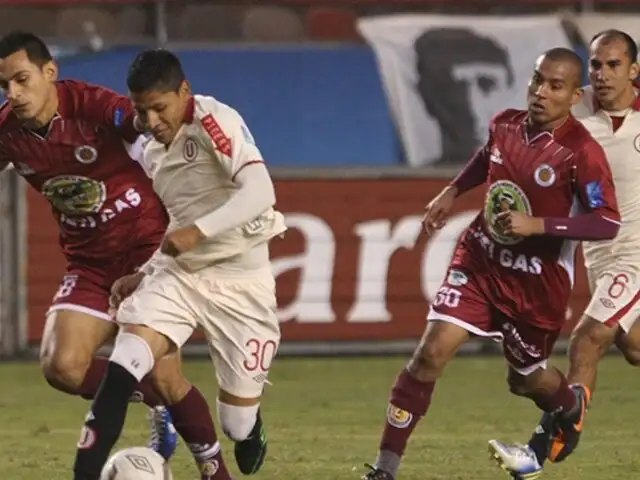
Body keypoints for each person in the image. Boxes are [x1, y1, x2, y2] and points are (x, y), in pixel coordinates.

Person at [360, 47, 621, 480]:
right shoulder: (505, 123)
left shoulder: (582, 152)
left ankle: (567, 404)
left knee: (524, 381)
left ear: (575, 97)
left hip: (537, 285)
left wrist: (535, 225)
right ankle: (385, 469)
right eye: (538, 80)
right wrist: (452, 190)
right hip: (481, 261)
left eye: (555, 86)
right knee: (429, 354)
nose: (540, 92)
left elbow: (606, 222)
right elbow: (488, 157)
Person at [0, 31, 223, 476]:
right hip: (90, 262)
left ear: (50, 72)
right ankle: (156, 406)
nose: (14, 93)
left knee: (167, 377)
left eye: (22, 80)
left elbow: (153, 129)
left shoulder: (95, 106)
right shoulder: (7, 132)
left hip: (147, 254)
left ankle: (214, 467)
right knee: (62, 366)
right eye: (4, 85)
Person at [72, 48, 286, 480]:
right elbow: (179, 222)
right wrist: (144, 273)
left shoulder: (213, 121)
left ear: (183, 92)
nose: (151, 120)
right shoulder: (151, 150)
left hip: (241, 280)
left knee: (236, 424)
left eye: (159, 108)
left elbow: (260, 190)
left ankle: (249, 429)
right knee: (123, 365)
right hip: (182, 276)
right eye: (141, 109)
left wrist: (199, 231)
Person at [489, 30, 640, 479]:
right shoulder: (573, 111)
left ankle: (540, 450)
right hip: (599, 254)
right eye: (596, 64)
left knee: (587, 338)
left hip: (637, 253)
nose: (603, 74)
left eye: (615, 64)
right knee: (632, 346)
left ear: (634, 70)